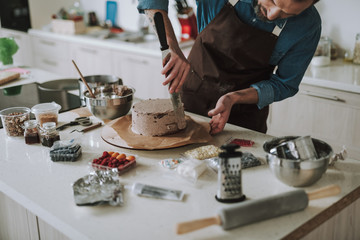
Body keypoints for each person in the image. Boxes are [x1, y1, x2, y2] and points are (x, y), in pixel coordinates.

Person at [137, 0, 321, 134]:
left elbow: (285, 84)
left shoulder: (308, 26)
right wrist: (171, 46)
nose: (272, 14)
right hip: (190, 103)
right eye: (272, 0)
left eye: (288, 14)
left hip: (244, 121)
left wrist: (233, 98)